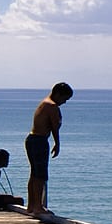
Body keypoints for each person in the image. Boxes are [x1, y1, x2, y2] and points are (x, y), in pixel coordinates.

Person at [26, 82, 73, 216]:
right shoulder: (52, 106)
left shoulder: (44, 103)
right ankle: (38, 206)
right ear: (58, 94)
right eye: (64, 99)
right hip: (39, 141)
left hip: (32, 138)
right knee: (40, 175)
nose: (64, 102)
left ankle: (31, 205)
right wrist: (57, 144)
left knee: (34, 173)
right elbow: (55, 127)